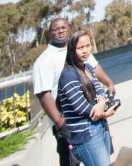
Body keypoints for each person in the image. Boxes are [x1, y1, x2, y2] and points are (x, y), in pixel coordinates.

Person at [33, 17, 115, 166]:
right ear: (50, 33)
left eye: (64, 27)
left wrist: (108, 84)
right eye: (56, 29)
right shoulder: (44, 60)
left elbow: (94, 68)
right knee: (71, 162)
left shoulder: (79, 48)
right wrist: (59, 121)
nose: (61, 31)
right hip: (68, 122)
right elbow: (43, 94)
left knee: (101, 159)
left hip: (94, 119)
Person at [57, 31, 117, 166]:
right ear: (72, 49)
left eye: (88, 46)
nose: (85, 50)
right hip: (86, 134)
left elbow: (99, 89)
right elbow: (80, 106)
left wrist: (102, 107)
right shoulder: (68, 74)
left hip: (100, 126)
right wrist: (100, 111)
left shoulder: (88, 68)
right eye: (80, 48)